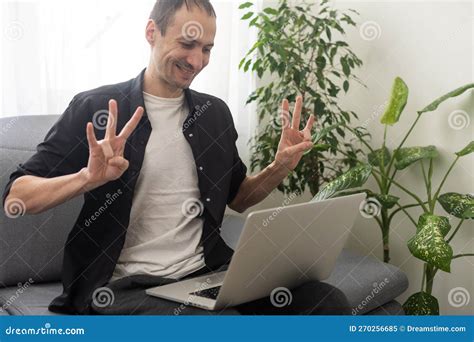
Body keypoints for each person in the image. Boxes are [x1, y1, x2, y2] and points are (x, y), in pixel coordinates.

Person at [2, 0, 350, 315]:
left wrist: (279, 168)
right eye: (187, 44)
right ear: (152, 32)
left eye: (207, 48)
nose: (197, 61)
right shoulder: (95, 108)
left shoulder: (214, 113)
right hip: (123, 287)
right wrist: (86, 179)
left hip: (207, 274)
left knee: (325, 301)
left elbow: (240, 200)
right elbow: (17, 197)